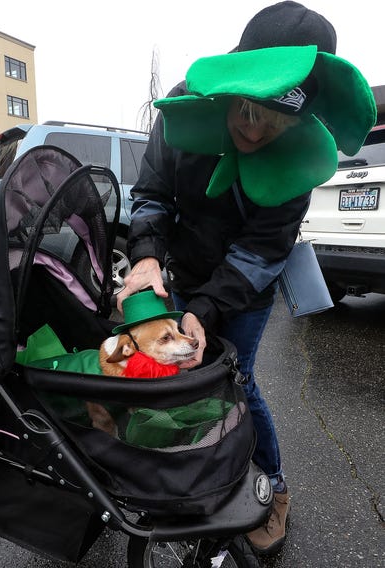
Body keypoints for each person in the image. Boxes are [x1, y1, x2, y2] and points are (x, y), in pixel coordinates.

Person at [117, 1, 375, 555]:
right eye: (246, 110)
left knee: (236, 379)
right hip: (182, 267)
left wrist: (206, 308)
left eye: (275, 118)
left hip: (244, 288)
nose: (251, 131)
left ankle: (274, 487)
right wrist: (145, 257)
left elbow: (261, 251)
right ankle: (195, 470)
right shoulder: (185, 109)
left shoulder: (300, 160)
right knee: (179, 375)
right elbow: (151, 195)